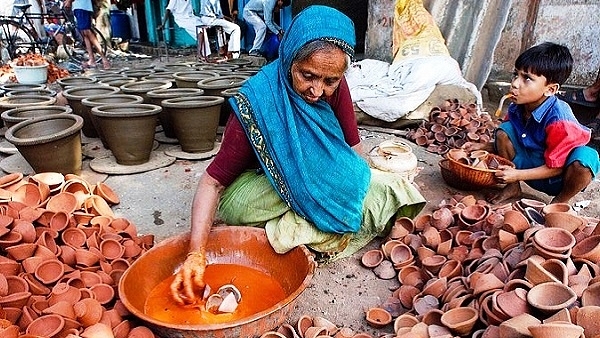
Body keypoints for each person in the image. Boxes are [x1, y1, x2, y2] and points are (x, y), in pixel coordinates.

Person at [169, 5, 426, 305]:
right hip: (259, 185)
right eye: (307, 75)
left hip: (312, 176)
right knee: (238, 210)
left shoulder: (335, 85)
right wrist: (195, 253)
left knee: (389, 187)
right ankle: (304, 227)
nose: (317, 90)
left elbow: (354, 151)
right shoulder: (259, 101)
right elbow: (213, 184)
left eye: (329, 81)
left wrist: (351, 186)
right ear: (290, 57)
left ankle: (304, 223)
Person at [465, 42, 599, 205]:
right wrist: (485, 147)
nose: (514, 83)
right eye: (516, 75)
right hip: (533, 163)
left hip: (558, 176)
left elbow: (556, 166)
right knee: (503, 131)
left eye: (527, 78)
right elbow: (509, 140)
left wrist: (518, 174)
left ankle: (559, 202)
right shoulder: (517, 107)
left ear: (550, 90)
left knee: (586, 160)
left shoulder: (560, 119)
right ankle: (512, 188)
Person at [157, 0, 241, 59]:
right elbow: (168, 10)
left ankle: (206, 54)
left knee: (203, 30)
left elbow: (217, 14)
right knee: (200, 31)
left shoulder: (189, 1)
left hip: (192, 18)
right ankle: (200, 53)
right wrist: (163, 24)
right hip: (182, 19)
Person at [63, 0, 110, 69]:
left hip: (81, 6)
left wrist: (69, 1)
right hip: (79, 6)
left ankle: (104, 58)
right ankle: (92, 60)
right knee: (84, 34)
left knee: (87, 32)